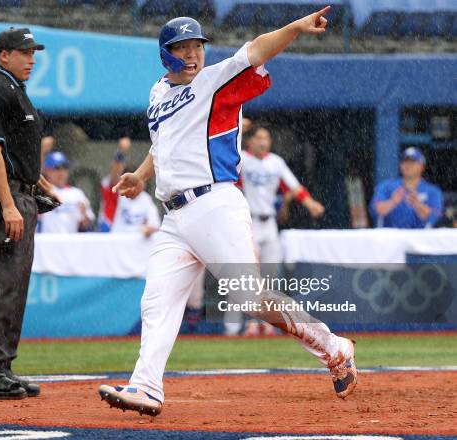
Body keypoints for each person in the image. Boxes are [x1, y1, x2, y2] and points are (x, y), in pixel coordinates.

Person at [98, 10, 357, 416]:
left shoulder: (213, 80)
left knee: (250, 299)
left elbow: (254, 51)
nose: (191, 54)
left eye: (196, 46)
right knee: (157, 301)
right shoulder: (157, 93)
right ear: (165, 54)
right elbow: (162, 143)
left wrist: (292, 28)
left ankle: (332, 345)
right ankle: (147, 387)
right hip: (175, 216)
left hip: (215, 204)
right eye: (182, 48)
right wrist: (141, 175)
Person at [0, 27, 56, 400]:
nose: (31, 59)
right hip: (2, 199)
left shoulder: (14, 90)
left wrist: (39, 184)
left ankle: (1, 367)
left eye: (33, 52)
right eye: (24, 52)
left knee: (14, 288)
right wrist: (7, 204)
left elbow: (15, 154)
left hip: (21, 194)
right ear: (3, 55)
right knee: (2, 286)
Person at [231, 125, 325, 336]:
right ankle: (251, 323)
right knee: (249, 275)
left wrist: (310, 203)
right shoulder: (242, 159)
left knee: (271, 275)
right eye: (259, 138)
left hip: (270, 223)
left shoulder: (276, 162)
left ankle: (268, 323)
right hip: (248, 221)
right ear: (250, 141)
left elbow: (294, 186)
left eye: (267, 138)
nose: (263, 142)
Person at [99, 137, 161, 237]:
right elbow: (115, 175)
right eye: (129, 184)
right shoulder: (117, 193)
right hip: (114, 244)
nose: (132, 188)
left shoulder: (146, 199)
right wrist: (121, 153)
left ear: (143, 184)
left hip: (136, 247)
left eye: (136, 184)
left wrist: (148, 230)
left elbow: (155, 225)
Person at [370, 147, 443, 228]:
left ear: (422, 166)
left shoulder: (433, 191)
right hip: (390, 238)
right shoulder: (386, 186)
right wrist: (393, 201)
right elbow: (376, 210)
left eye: (413, 162)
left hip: (418, 238)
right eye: (405, 161)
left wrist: (418, 204)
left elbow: (434, 217)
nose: (408, 165)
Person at [38, 151, 95, 233]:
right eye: (56, 168)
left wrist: (84, 215)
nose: (61, 173)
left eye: (64, 167)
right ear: (47, 171)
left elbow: (86, 226)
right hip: (48, 242)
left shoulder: (77, 193)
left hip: (71, 243)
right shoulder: (41, 191)